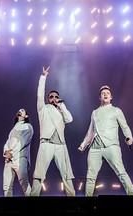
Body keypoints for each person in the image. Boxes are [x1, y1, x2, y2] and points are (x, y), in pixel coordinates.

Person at [78, 85, 133, 196]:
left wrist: (129, 137)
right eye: (103, 93)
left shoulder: (116, 110)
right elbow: (91, 131)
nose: (105, 94)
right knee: (90, 176)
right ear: (99, 97)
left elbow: (125, 126)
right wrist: (83, 145)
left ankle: (132, 195)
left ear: (111, 97)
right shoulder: (94, 112)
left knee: (121, 172)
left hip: (111, 145)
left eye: (107, 93)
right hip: (95, 148)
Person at [30, 66, 76, 196]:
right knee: (39, 174)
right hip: (46, 143)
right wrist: (43, 77)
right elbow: (39, 94)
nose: (54, 98)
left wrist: (61, 104)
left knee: (67, 174)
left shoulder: (61, 112)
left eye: (56, 96)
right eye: (51, 96)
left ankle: (73, 198)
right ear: (48, 99)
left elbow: (70, 119)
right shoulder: (43, 109)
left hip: (61, 145)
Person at [3, 108, 34, 196]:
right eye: (19, 110)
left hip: (20, 158)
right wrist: (6, 151)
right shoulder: (13, 128)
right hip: (9, 159)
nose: (20, 111)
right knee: (7, 186)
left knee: (24, 182)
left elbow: (23, 142)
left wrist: (11, 153)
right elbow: (7, 142)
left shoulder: (28, 126)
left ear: (26, 116)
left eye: (23, 111)